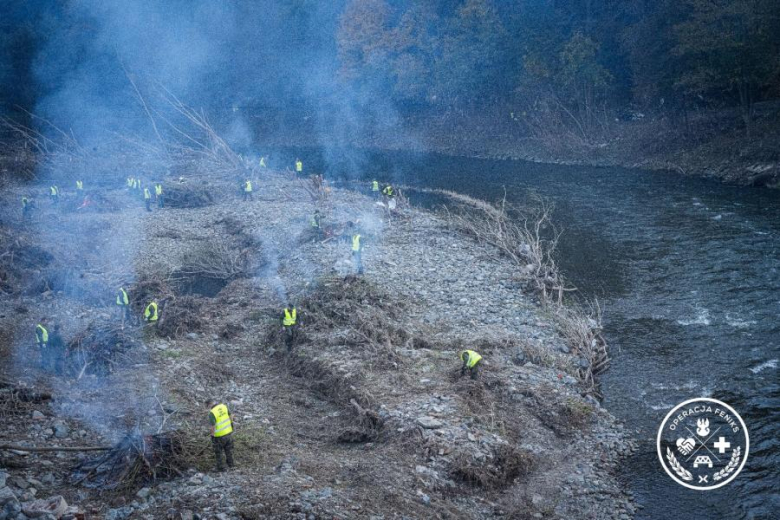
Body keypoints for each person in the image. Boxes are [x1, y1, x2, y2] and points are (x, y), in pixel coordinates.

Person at [207, 400, 235, 472]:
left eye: (207, 406)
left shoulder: (212, 413)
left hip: (219, 436)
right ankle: (231, 465)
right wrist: (231, 425)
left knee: (218, 452)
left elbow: (212, 426)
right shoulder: (223, 406)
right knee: (228, 450)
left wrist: (212, 435)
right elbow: (231, 415)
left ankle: (221, 467)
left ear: (209, 405)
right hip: (228, 433)